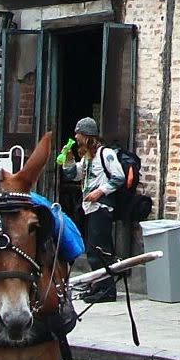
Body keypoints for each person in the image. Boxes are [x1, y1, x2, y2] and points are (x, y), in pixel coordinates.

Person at [61, 116, 125, 302]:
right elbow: (73, 175)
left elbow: (118, 177)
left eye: (78, 133)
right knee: (93, 251)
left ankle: (106, 290)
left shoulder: (106, 154)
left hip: (101, 207)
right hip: (89, 208)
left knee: (100, 250)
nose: (76, 137)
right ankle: (97, 285)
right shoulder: (88, 158)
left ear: (88, 135)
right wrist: (69, 160)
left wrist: (99, 192)